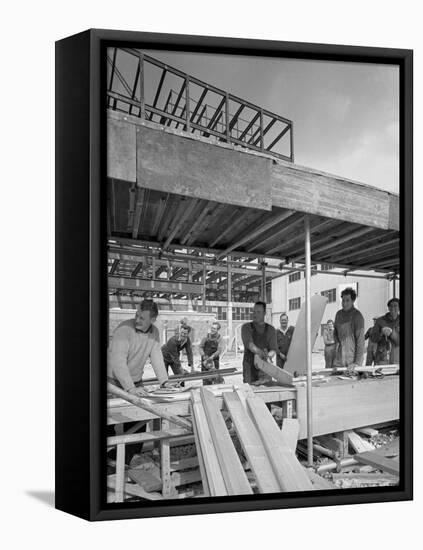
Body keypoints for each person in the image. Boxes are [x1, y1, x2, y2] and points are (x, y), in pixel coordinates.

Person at [108, 299, 175, 464]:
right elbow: (118, 362)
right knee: (109, 425)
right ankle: (108, 465)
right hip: (112, 383)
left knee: (137, 424)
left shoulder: (155, 333)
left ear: (152, 320)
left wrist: (164, 382)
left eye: (142, 318)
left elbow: (157, 357)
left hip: (135, 383)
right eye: (136, 315)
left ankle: (123, 463)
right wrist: (130, 389)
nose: (137, 320)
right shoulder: (124, 330)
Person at [241, 301, 278, 384]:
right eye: (254, 311)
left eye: (258, 312)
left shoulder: (271, 330)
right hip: (249, 368)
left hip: (265, 366)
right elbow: (250, 345)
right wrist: (260, 353)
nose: (255, 314)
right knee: (249, 391)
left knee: (266, 390)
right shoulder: (246, 327)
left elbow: (273, 349)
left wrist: (269, 355)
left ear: (264, 313)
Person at [333, 287, 365, 373]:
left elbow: (360, 341)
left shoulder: (357, 316)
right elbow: (335, 333)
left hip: (352, 361)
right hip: (339, 359)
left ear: (353, 301)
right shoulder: (338, 314)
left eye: (347, 300)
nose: (344, 303)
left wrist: (357, 363)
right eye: (343, 300)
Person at [374, 298, 400, 365]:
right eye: (390, 306)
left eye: (395, 306)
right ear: (388, 308)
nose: (393, 308)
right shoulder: (380, 320)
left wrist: (392, 333)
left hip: (397, 357)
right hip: (382, 357)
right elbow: (373, 338)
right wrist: (381, 333)